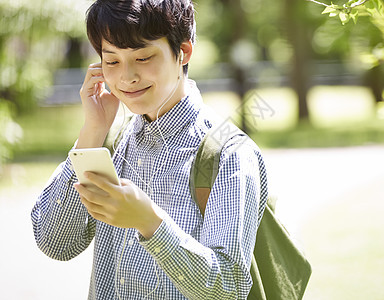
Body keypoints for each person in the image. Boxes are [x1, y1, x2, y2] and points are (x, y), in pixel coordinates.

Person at [31, 0, 268, 299]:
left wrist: (150, 223)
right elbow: (55, 243)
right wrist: (92, 131)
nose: (126, 77)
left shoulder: (229, 154)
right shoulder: (110, 143)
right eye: (112, 61)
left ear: (183, 52)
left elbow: (229, 287)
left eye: (143, 58)